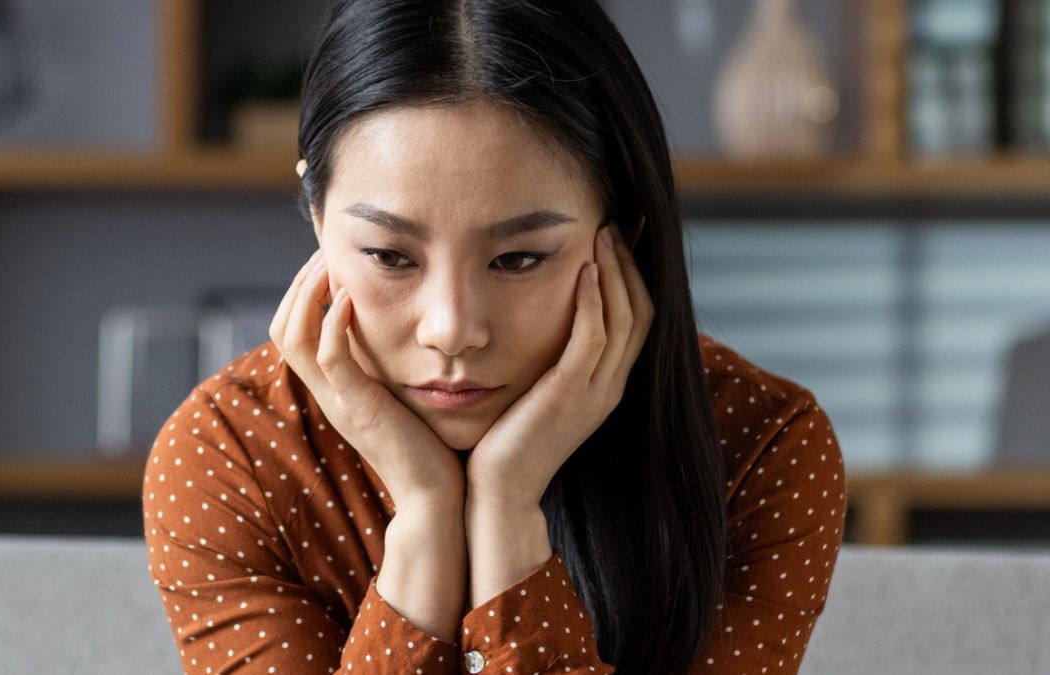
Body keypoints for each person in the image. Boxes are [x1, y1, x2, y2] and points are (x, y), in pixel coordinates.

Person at [141, 0, 848, 673]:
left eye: (518, 259)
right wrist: (426, 514)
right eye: (390, 255)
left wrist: (507, 508)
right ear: (319, 218)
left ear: (623, 233)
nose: (452, 329)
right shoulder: (230, 456)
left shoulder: (758, 448)